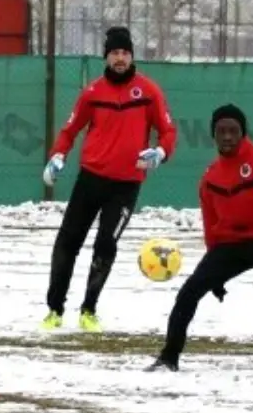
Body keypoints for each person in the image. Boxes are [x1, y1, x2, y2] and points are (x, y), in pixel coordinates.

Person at [147, 104, 253, 373]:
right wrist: (214, 274)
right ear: (213, 135)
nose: (227, 136)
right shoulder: (210, 177)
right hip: (231, 243)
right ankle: (169, 358)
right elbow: (211, 226)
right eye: (221, 131)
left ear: (243, 133)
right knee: (189, 291)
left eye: (233, 131)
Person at [40, 26, 178, 332]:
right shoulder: (93, 92)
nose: (120, 58)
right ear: (106, 56)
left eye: (125, 53)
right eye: (115, 53)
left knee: (106, 244)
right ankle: (54, 310)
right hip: (91, 179)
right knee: (67, 242)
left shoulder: (149, 92)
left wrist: (160, 152)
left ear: (132, 57)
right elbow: (69, 131)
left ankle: (88, 311)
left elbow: (168, 131)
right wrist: (58, 155)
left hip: (126, 186)